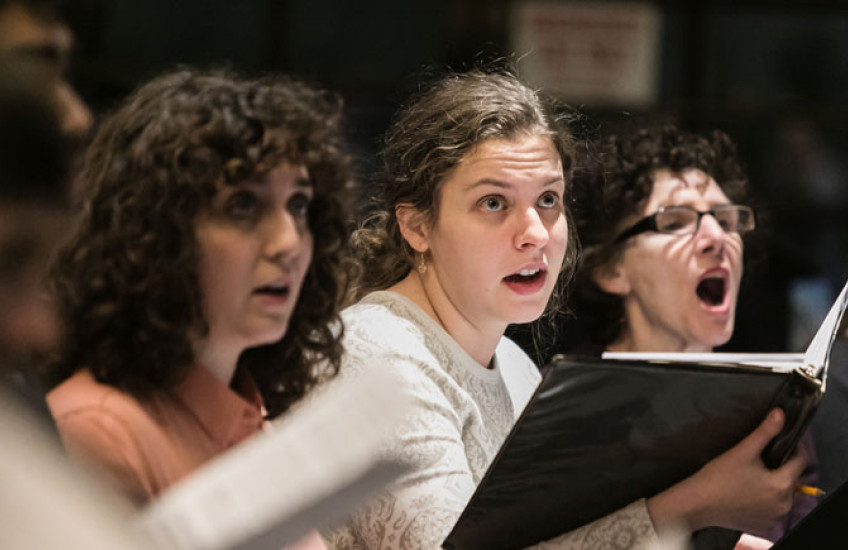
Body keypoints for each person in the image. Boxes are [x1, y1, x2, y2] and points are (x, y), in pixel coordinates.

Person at [317, 70, 804, 549]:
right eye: (493, 203)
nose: (534, 232)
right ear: (417, 227)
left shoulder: (515, 366)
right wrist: (689, 507)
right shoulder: (378, 354)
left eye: (548, 199)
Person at [45, 67, 352, 549]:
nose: (288, 242)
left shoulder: (251, 417)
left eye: (298, 205)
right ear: (155, 236)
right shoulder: (99, 429)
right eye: (243, 206)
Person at [567, 125, 816, 547]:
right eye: (675, 222)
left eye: (725, 218)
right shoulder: (565, 407)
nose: (716, 239)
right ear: (611, 269)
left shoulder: (777, 408)